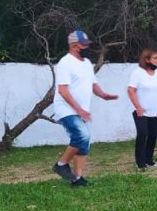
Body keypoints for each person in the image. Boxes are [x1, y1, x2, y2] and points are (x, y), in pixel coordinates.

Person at [51, 30, 119, 187]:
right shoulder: (65, 63)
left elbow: (93, 84)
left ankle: (77, 179)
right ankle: (61, 165)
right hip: (66, 109)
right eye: (85, 45)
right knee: (82, 135)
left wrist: (103, 95)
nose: (88, 47)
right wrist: (79, 109)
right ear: (75, 46)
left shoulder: (87, 63)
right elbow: (63, 90)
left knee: (84, 144)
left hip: (81, 110)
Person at [127, 48, 157, 169]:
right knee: (142, 134)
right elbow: (131, 90)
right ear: (147, 59)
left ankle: (148, 160)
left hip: (155, 112)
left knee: (152, 136)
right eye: (155, 58)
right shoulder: (137, 73)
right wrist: (138, 107)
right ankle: (140, 163)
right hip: (141, 112)